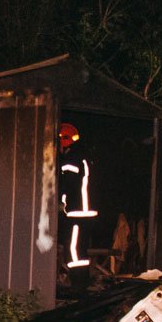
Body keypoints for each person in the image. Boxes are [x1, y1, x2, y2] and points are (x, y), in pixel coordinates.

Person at [58, 121, 97, 293]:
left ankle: (78, 283)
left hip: (77, 211)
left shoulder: (71, 159)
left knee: (73, 247)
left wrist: (61, 201)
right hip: (86, 211)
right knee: (80, 247)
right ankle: (83, 281)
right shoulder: (85, 157)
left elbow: (68, 184)